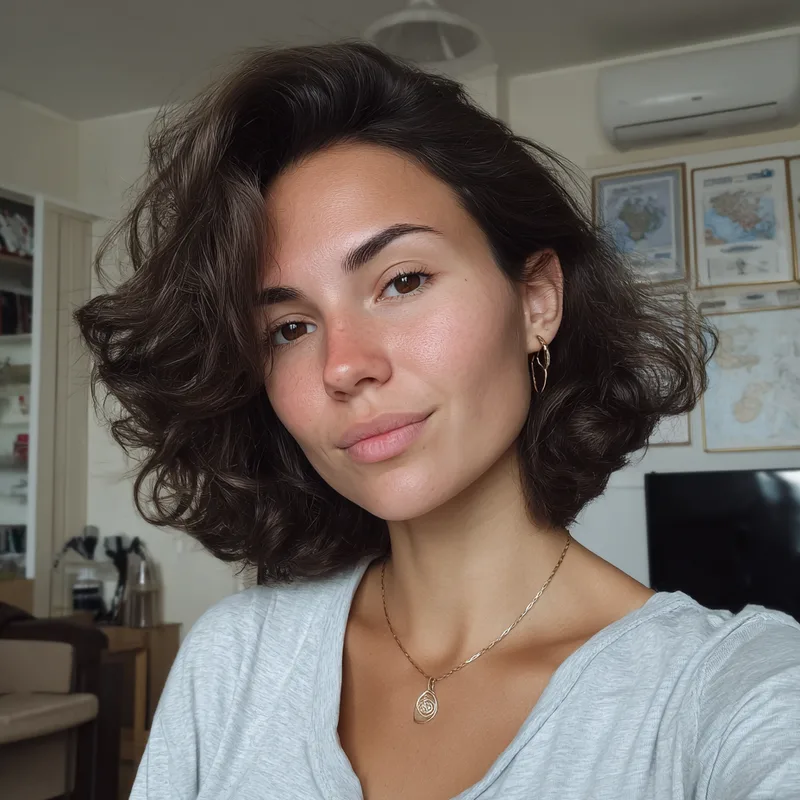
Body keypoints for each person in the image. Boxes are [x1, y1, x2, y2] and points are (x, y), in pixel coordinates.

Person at [75, 43, 800, 800]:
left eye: (402, 281)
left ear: (536, 301)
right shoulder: (234, 659)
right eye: (289, 328)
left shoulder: (728, 693)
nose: (343, 366)